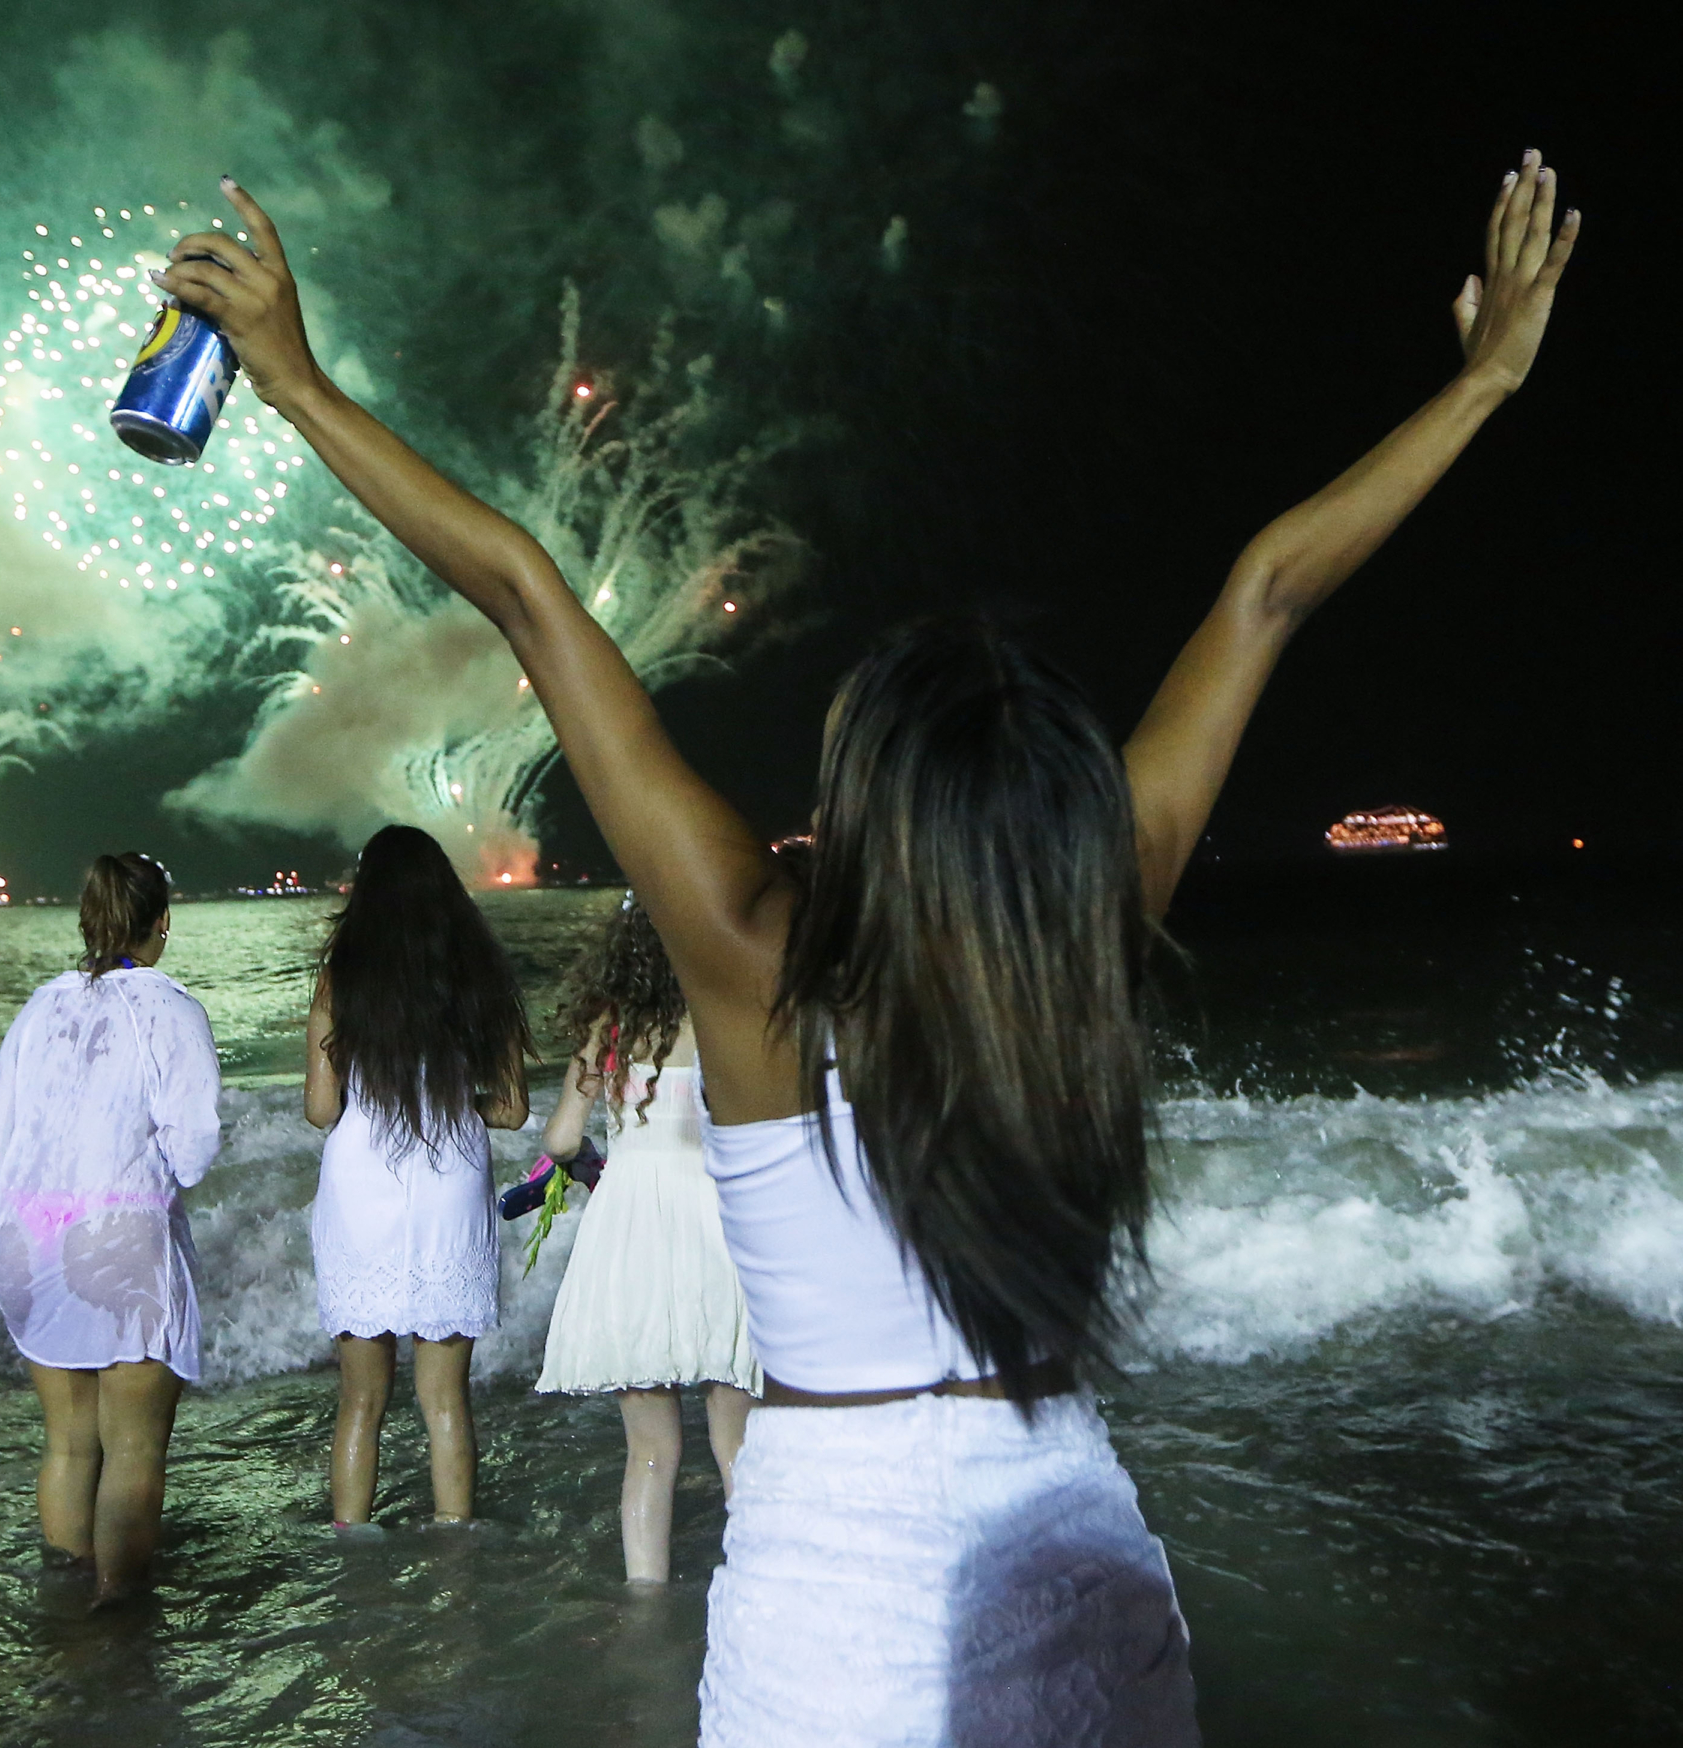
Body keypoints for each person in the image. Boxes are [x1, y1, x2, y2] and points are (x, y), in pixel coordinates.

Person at [164, 157, 1575, 1742]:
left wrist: (290, 383)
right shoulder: (1088, 935)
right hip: (1077, 1562)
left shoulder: (756, 975)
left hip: (826, 1602)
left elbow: (525, 597)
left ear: (865, 811)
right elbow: (1263, 598)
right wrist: (1489, 382)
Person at [0, 852, 221, 1605]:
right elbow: (194, 1151)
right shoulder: (171, 1008)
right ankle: (119, 1613)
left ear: (86, 922)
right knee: (133, 1446)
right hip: (119, 1242)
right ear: (163, 922)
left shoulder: (38, 1008)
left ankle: (68, 1606)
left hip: (27, 1238)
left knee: (71, 1445)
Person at [304, 824, 531, 1526]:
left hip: (361, 1183)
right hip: (448, 1178)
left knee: (361, 1401)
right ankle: (455, 1560)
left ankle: (352, 1550)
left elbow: (320, 1109)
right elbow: (513, 1109)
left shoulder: (342, 975)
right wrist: (455, 1099)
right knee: (444, 1401)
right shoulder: (475, 972)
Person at [531, 894, 760, 1585]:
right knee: (737, 1442)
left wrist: (578, 1161)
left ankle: (646, 1605)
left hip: (634, 1230)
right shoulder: (723, 1012)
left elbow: (563, 1137)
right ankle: (763, 1581)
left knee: (651, 1453)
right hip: (720, 1222)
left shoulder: (610, 1025)